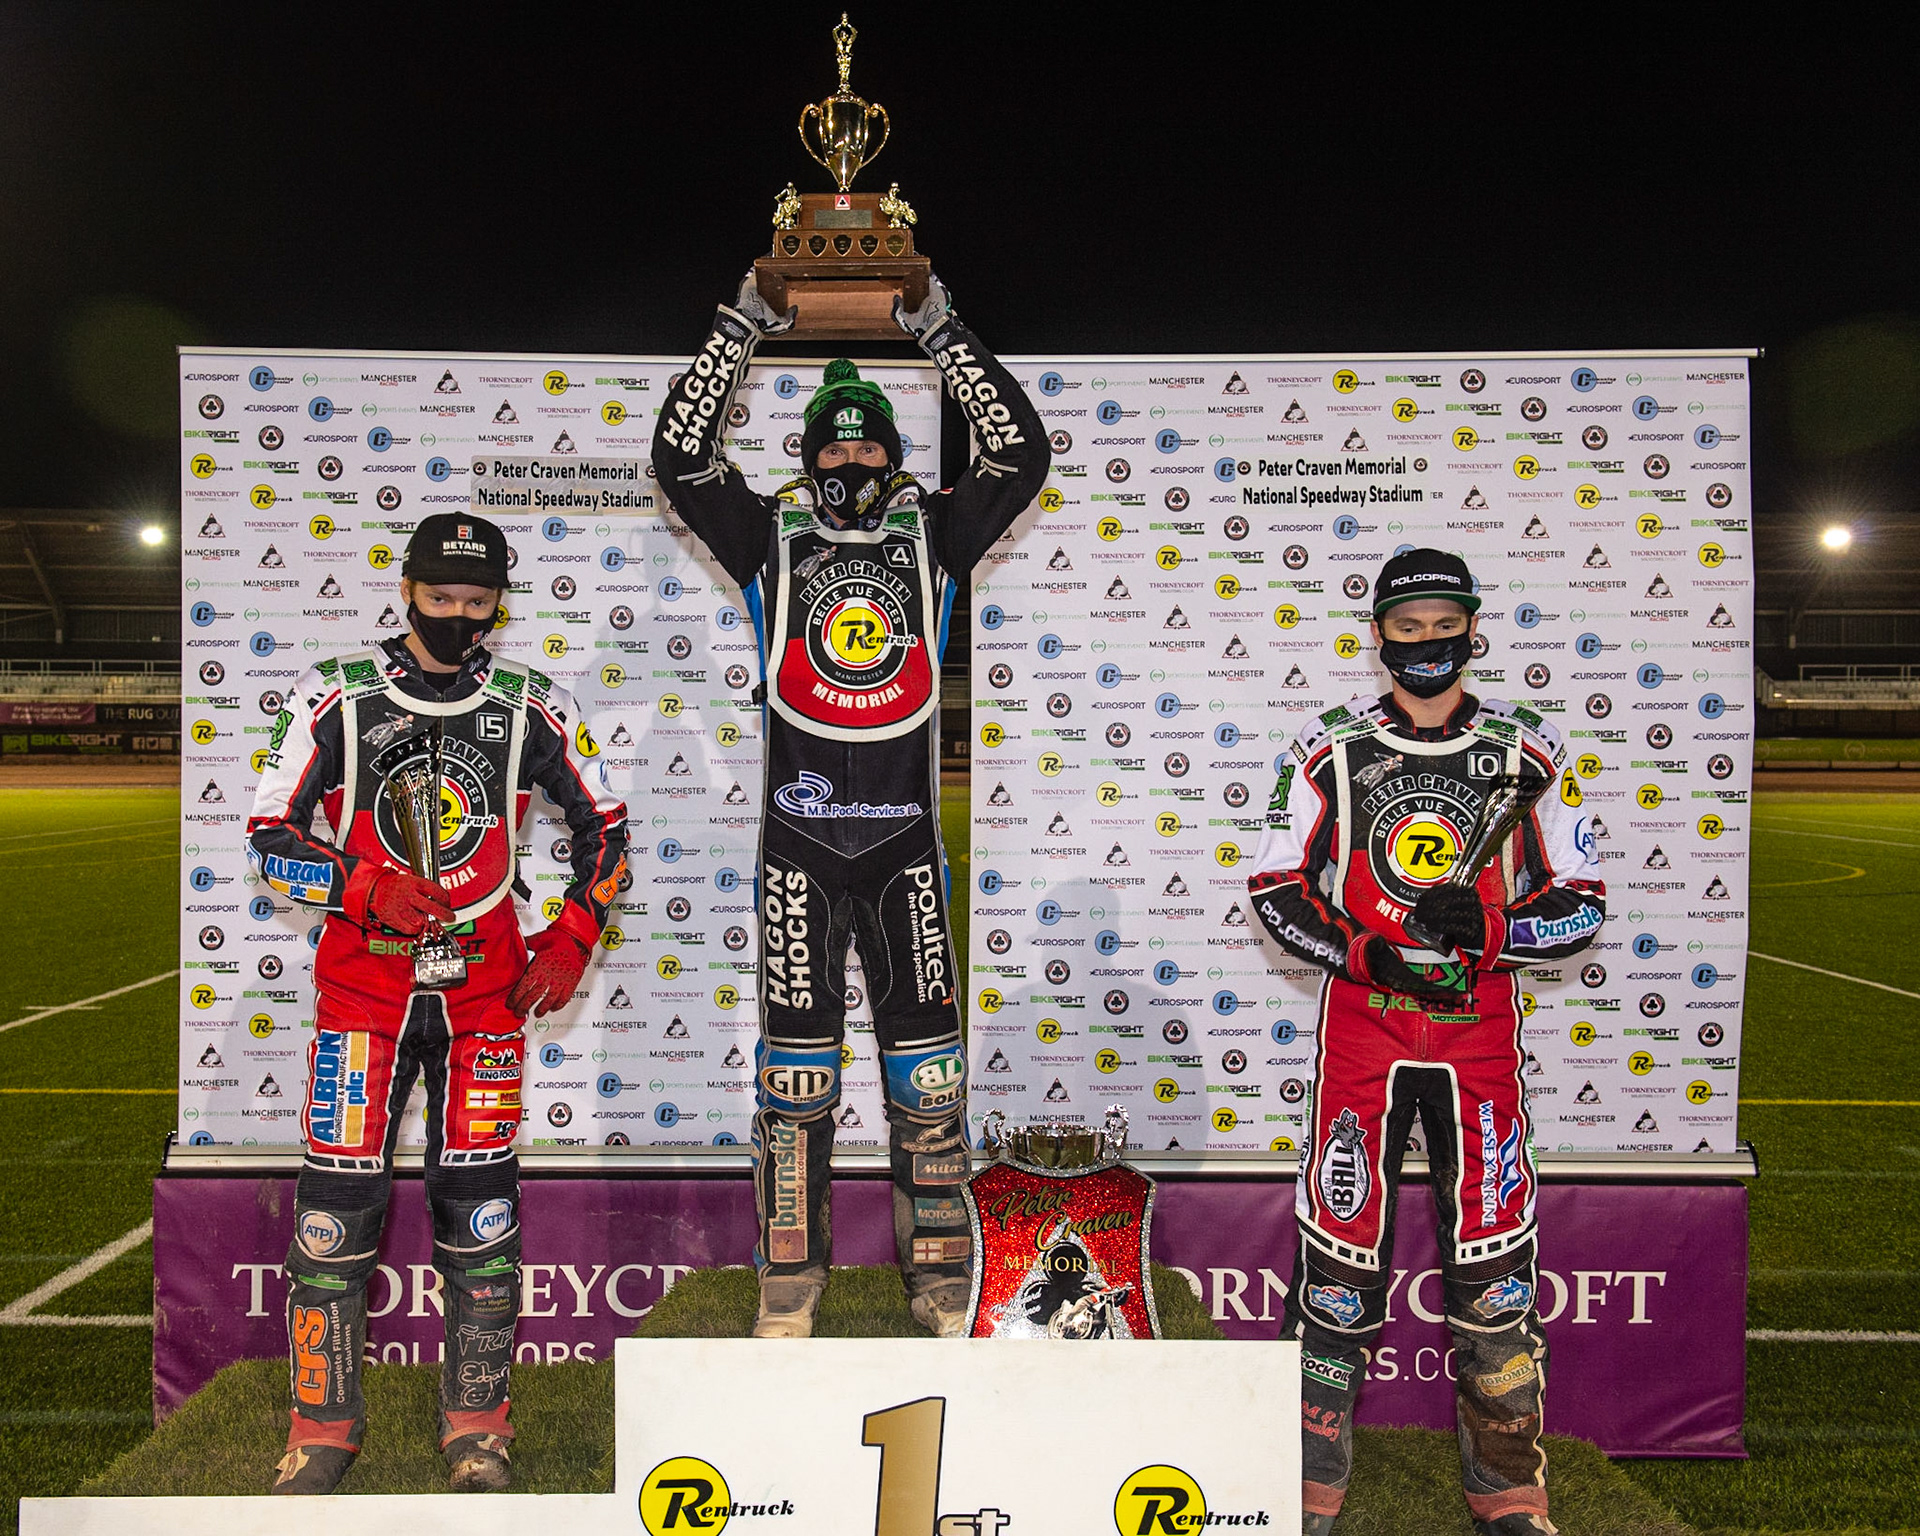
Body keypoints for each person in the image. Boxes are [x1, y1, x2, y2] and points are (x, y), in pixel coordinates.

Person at [652, 271, 1047, 1338]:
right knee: (794, 1091)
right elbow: (682, 461)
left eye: (873, 446)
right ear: (807, 458)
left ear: (899, 459)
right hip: (799, 853)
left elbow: (1022, 456)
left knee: (929, 1088)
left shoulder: (936, 539)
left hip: (905, 851)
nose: (855, 460)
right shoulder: (768, 540)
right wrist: (737, 324)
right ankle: (791, 1284)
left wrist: (943, 334)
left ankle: (937, 1278)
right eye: (835, 445)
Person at [246, 513, 628, 1494]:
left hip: (486, 1004)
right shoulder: (335, 694)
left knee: (483, 1211)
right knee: (334, 1214)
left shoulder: (532, 703)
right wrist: (358, 887)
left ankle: (478, 1430)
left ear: (500, 598)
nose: (459, 615)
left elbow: (608, 830)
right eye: (441, 597)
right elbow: (267, 838)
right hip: (361, 998)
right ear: (406, 589)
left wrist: (577, 932)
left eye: (477, 599)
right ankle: (320, 1431)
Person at [1244, 549, 1605, 1536]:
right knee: (1338, 1271)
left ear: (1473, 627)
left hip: (1476, 1050)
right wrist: (1368, 956)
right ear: (1381, 639)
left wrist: (1492, 932)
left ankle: (1511, 1498)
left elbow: (1582, 906)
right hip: (1365, 1043)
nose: (1428, 641)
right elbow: (1275, 891)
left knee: (1493, 1277)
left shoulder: (1532, 754)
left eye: (1444, 622)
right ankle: (1302, 1494)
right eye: (1408, 627)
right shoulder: (1326, 752)